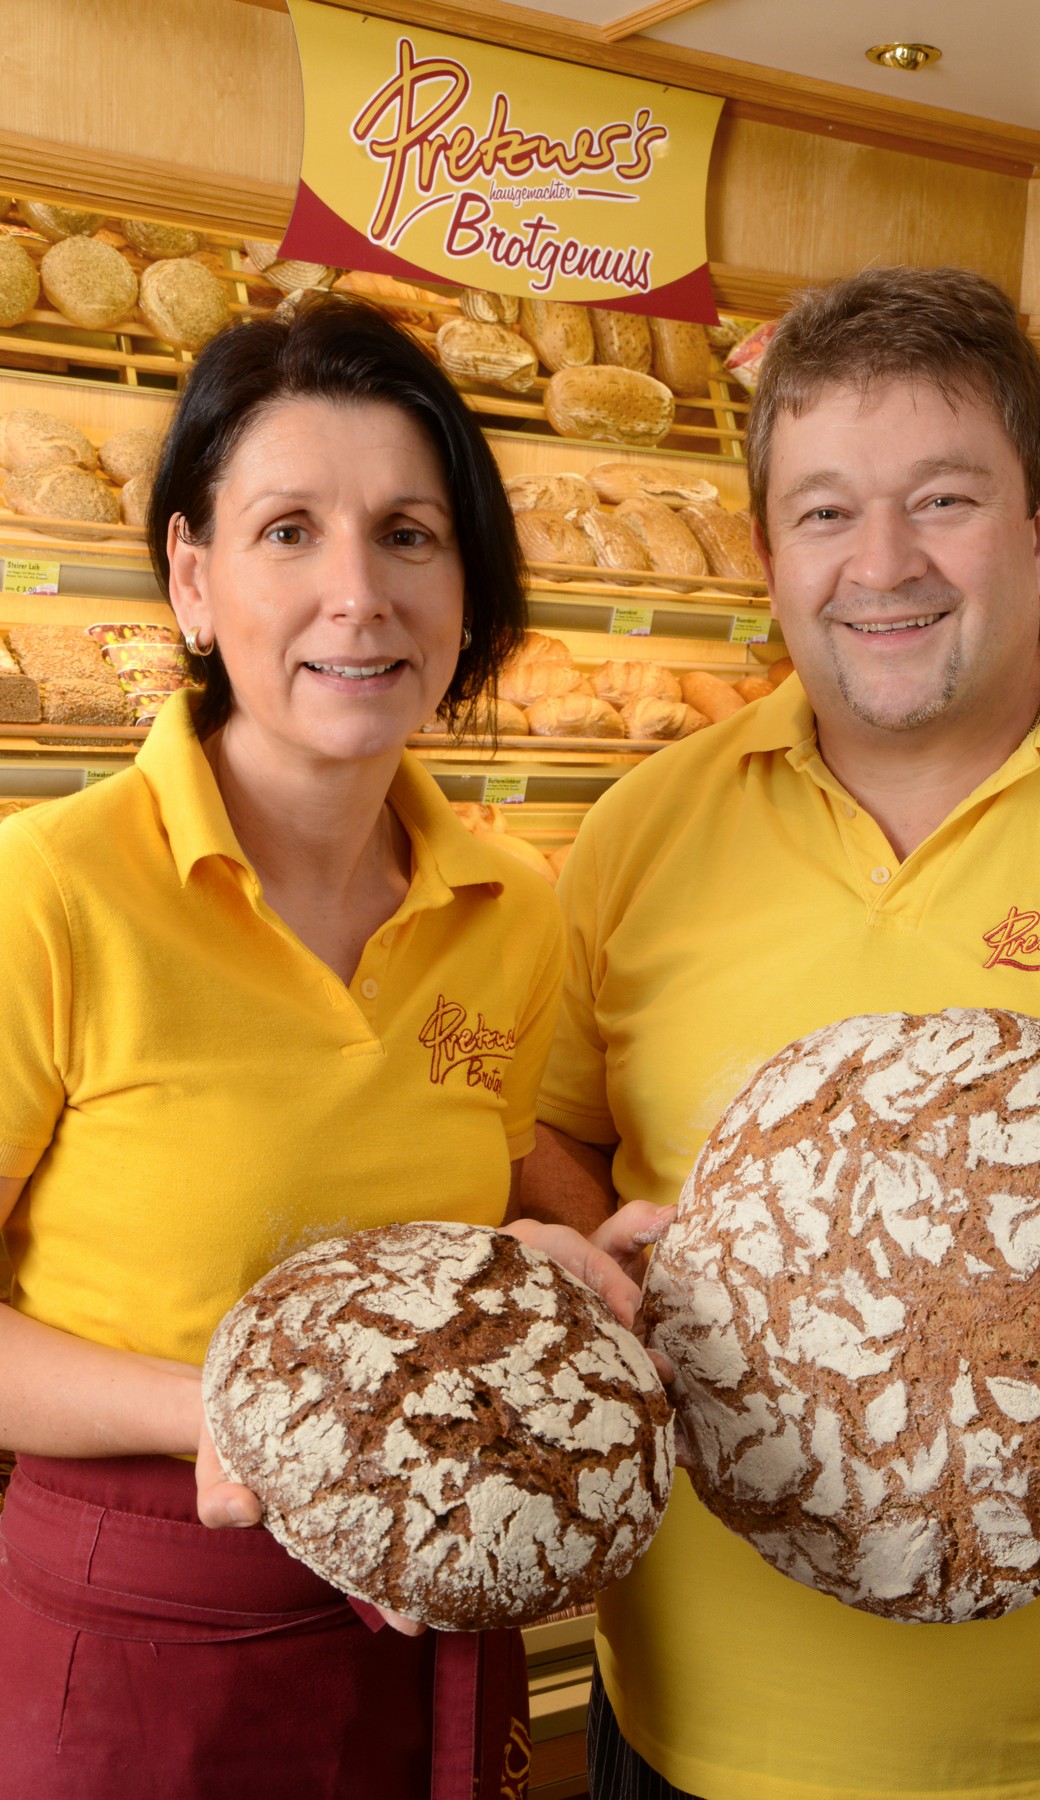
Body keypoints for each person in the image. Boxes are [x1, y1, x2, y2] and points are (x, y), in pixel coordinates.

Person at [527, 266, 1040, 1800]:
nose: (884, 565)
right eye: (825, 511)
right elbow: (548, 1132)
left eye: (942, 498)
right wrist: (623, 1273)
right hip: (701, 1738)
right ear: (768, 547)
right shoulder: (643, 827)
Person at [0, 295, 657, 1800]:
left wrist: (574, 1259)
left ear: (468, 586)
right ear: (191, 576)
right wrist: (231, 1414)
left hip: (433, 1600)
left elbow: (461, 1164)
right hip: (148, 1624)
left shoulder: (510, 910)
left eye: (408, 534)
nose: (356, 594)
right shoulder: (47, 892)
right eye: (288, 529)